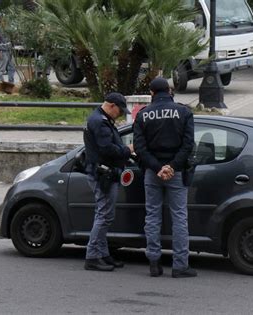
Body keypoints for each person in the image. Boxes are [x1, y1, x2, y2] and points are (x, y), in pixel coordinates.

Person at [133, 77, 196, 278]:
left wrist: (158, 168)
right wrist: (171, 167)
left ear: (151, 93)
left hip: (152, 173)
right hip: (176, 172)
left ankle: (154, 263)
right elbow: (188, 145)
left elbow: (140, 148)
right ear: (169, 91)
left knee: (152, 216)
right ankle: (180, 266)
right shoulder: (184, 112)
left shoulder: (142, 115)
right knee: (179, 217)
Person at [83, 92, 134, 272]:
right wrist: (127, 150)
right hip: (102, 174)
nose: (120, 115)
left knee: (105, 214)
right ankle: (92, 256)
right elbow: (107, 149)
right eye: (120, 111)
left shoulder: (101, 119)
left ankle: (103, 254)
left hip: (105, 173)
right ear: (112, 106)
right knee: (104, 215)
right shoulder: (100, 122)